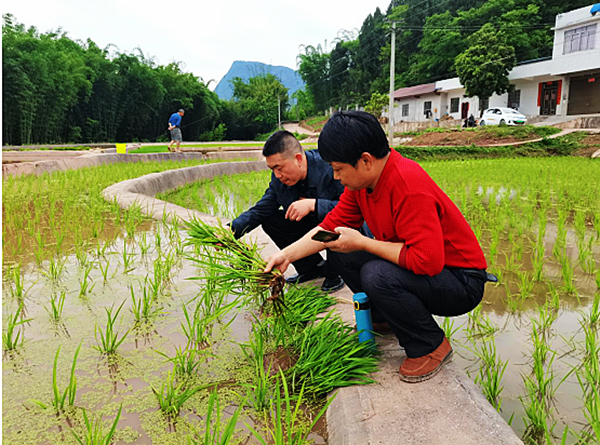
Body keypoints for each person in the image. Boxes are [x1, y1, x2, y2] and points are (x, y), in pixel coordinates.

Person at [265, 111, 489, 382]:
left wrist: (363, 243)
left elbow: (426, 261)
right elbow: (329, 229)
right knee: (339, 250)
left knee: (376, 274)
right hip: (428, 269)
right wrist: (286, 256)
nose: (336, 177)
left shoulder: (407, 184)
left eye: (338, 169)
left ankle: (430, 345)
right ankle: (385, 317)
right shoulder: (362, 184)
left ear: (366, 160)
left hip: (460, 280)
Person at [231, 130, 345, 293]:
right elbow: (261, 210)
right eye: (272, 169)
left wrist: (315, 205)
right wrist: (230, 231)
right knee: (272, 219)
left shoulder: (330, 167)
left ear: (298, 159)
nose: (277, 175)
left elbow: (352, 209)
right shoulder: (279, 180)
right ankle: (312, 268)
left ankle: (336, 272)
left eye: (279, 168)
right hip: (310, 227)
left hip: (334, 227)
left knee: (333, 223)